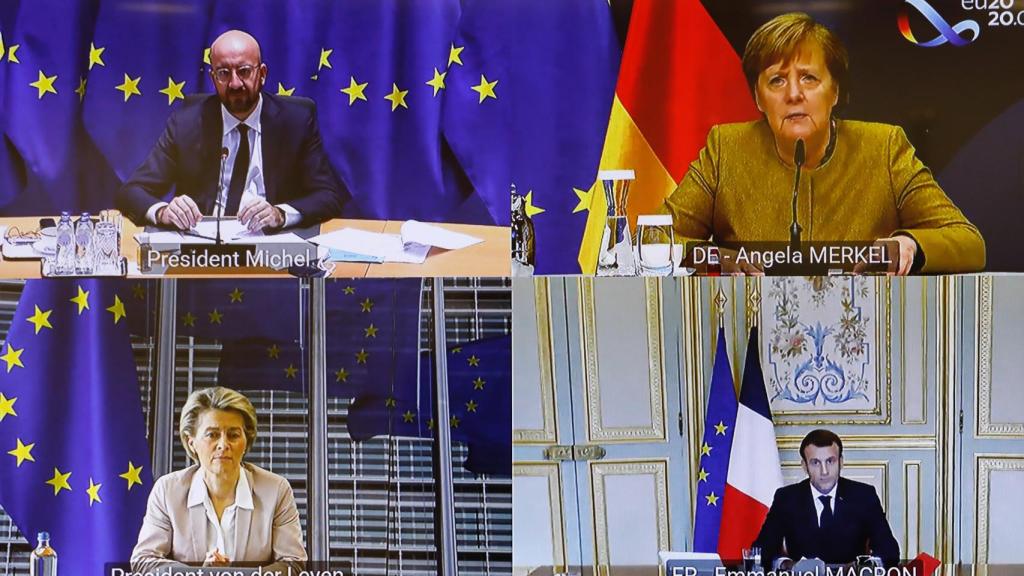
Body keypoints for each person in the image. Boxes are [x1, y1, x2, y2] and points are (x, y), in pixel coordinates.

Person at [660, 12, 985, 274]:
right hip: (750, 338)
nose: (793, 94)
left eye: (809, 78)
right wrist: (713, 259)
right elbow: (657, 241)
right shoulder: (727, 149)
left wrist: (908, 244)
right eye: (776, 80)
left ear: (836, 92)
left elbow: (969, 243)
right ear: (758, 97)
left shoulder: (883, 147)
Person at [116, 29, 347, 232]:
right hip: (203, 252)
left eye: (244, 71)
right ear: (212, 77)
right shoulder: (187, 122)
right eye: (224, 73)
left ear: (262, 74)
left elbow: (328, 196)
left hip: (274, 247)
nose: (235, 84)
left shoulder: (295, 121)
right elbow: (132, 192)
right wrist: (163, 212)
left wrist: (280, 214)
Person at [131, 387, 306, 570]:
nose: (223, 445)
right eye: (212, 435)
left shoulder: (276, 490)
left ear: (246, 441)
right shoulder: (168, 490)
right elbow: (144, 561)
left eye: (233, 435)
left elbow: (293, 563)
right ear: (192, 443)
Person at [753, 429, 899, 569]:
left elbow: (890, 552)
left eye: (830, 461)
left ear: (841, 462)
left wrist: (860, 566)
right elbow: (761, 551)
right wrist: (787, 565)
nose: (824, 471)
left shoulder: (864, 495)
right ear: (804, 466)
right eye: (816, 462)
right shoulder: (786, 498)